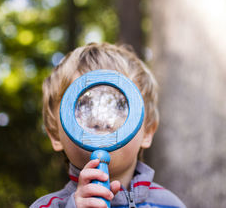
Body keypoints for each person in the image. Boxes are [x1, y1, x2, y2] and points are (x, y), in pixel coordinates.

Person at [30, 43, 186, 208]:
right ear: (55, 135)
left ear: (147, 132)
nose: (100, 120)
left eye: (120, 105)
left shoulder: (169, 204)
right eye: (84, 106)